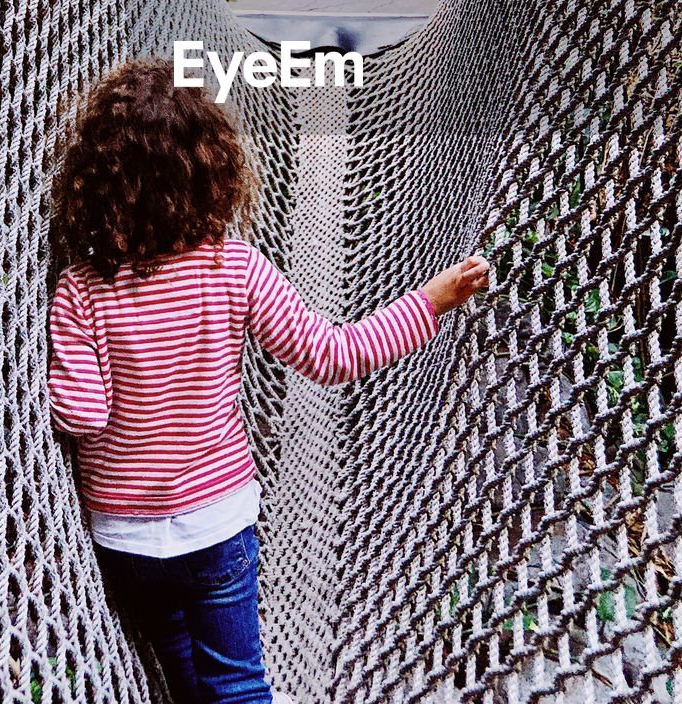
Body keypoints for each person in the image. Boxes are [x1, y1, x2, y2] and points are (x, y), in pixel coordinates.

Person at [47, 58, 489, 703]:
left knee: (179, 660)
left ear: (95, 183)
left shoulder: (82, 292)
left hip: (124, 537)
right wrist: (430, 301)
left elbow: (81, 413)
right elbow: (333, 354)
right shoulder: (233, 266)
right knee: (238, 683)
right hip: (217, 524)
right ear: (212, 172)